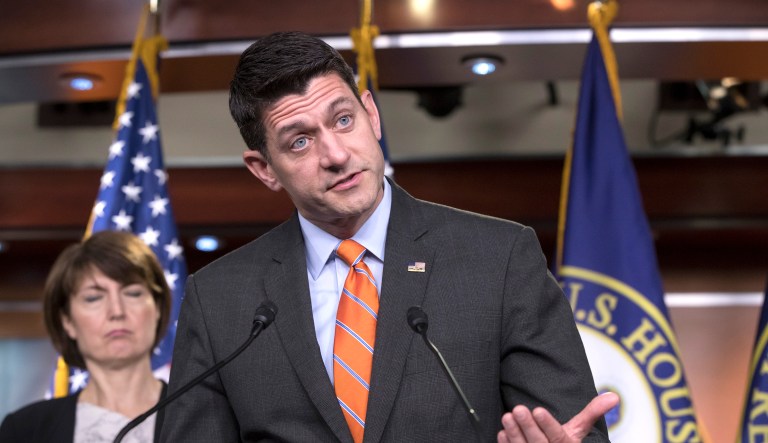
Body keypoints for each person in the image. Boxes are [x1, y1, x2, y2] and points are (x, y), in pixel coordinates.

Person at [161, 31, 618, 442]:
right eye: (300, 141)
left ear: (372, 115)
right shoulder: (219, 299)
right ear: (264, 169)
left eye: (343, 120)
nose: (336, 154)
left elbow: (573, 431)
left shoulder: (499, 260)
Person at [0, 231, 171, 443]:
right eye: (93, 298)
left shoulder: (203, 416)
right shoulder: (24, 430)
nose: (117, 311)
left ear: (158, 308)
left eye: (133, 293)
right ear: (67, 321)